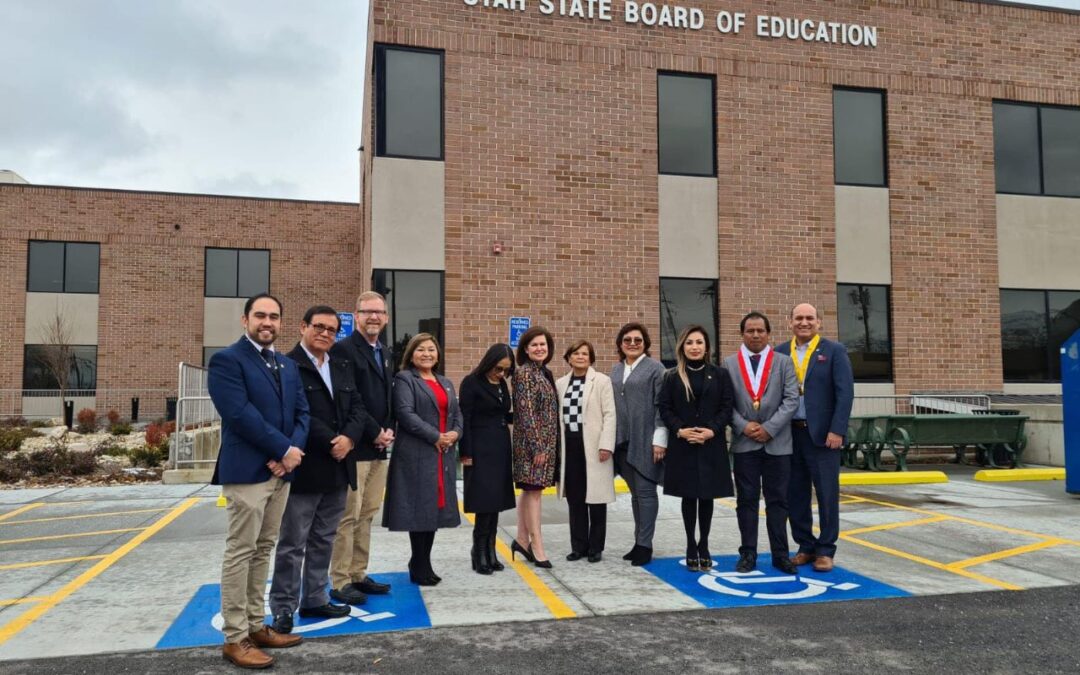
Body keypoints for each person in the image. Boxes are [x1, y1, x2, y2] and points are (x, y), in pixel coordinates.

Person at [208, 293, 308, 669]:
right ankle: (235, 637)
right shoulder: (227, 360)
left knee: (264, 547)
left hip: (282, 471)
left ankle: (255, 624)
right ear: (245, 319)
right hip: (248, 472)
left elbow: (302, 411)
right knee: (241, 550)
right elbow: (239, 413)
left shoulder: (285, 364)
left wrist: (292, 451)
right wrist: (283, 448)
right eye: (260, 315)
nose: (268, 322)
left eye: (274, 317)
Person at [269, 306, 371, 635]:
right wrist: (333, 440)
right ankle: (284, 607)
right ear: (303, 327)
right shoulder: (287, 365)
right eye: (319, 327)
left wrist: (351, 439)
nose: (326, 333)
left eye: (332, 329)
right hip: (306, 466)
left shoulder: (341, 365)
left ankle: (314, 597)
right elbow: (296, 413)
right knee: (292, 543)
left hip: (339, 467)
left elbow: (357, 407)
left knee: (325, 538)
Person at [775, 303, 854, 573]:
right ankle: (805, 546)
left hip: (822, 435)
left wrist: (838, 430)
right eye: (799, 318)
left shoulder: (834, 351)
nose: (804, 322)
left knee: (826, 494)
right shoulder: (780, 352)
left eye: (810, 318)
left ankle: (826, 550)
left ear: (819, 322)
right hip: (790, 434)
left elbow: (844, 394)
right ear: (790, 322)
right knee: (795, 493)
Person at [328, 291, 395, 604]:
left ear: (386, 317)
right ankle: (340, 581)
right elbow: (350, 397)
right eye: (367, 311)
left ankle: (358, 572)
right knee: (347, 516)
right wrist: (375, 431)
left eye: (379, 312)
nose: (373, 317)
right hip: (357, 447)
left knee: (367, 514)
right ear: (355, 316)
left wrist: (389, 429)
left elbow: (389, 396)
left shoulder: (385, 352)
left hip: (380, 449)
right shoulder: (343, 350)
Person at [382, 333, 463, 585]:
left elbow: (457, 415)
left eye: (431, 349)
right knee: (418, 509)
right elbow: (405, 414)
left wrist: (454, 434)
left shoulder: (445, 382)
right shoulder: (405, 379)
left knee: (434, 509)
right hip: (416, 454)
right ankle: (418, 563)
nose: (427, 354)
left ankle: (424, 561)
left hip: (442, 456)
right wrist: (436, 436)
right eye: (421, 350)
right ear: (411, 354)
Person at [723, 312, 800, 575]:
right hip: (745, 444)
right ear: (741, 334)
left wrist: (769, 428)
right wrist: (744, 426)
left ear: (768, 333)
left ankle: (780, 554)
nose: (755, 335)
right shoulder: (729, 364)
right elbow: (725, 404)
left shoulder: (784, 362)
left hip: (777, 444)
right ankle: (748, 554)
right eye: (750, 331)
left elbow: (791, 400)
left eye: (760, 331)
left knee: (778, 501)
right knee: (747, 501)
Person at [658, 325, 734, 573]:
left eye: (699, 342)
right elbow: (665, 408)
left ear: (706, 347)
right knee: (689, 496)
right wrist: (680, 430)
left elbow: (726, 407)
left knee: (707, 496)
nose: (694, 347)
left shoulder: (720, 375)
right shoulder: (671, 376)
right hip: (684, 445)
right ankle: (691, 544)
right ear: (682, 346)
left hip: (711, 444)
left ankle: (705, 544)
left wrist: (712, 430)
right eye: (689, 342)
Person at [610, 322, 667, 567]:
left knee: (645, 493)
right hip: (621, 441)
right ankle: (637, 542)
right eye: (627, 340)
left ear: (645, 343)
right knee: (635, 495)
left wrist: (660, 440)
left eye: (638, 340)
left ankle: (645, 545)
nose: (632, 343)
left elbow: (661, 405)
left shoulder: (656, 368)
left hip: (646, 440)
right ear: (620, 345)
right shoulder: (615, 370)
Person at [556, 340, 617, 563]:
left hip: (594, 447)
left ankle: (595, 548)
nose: (580, 357)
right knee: (576, 499)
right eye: (576, 353)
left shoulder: (602, 381)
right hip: (570, 447)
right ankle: (578, 547)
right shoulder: (561, 383)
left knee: (597, 501)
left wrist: (606, 445)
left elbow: (610, 414)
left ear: (591, 358)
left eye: (585, 353)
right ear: (569, 358)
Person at [459, 344, 516, 575]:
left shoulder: (502, 384)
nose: (501, 374)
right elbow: (465, 418)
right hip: (480, 448)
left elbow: (502, 413)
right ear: (489, 362)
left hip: (500, 446)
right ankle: (478, 552)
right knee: (484, 503)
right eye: (498, 368)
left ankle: (491, 551)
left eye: (506, 370)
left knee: (495, 503)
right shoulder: (471, 383)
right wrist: (466, 453)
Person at [510, 326, 559, 569]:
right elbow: (526, 413)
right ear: (526, 350)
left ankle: (521, 539)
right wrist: (538, 446)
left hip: (544, 445)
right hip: (532, 446)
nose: (540, 348)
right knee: (534, 493)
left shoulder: (544, 372)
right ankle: (537, 545)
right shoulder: (524, 374)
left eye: (543, 344)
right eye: (535, 345)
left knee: (530, 492)